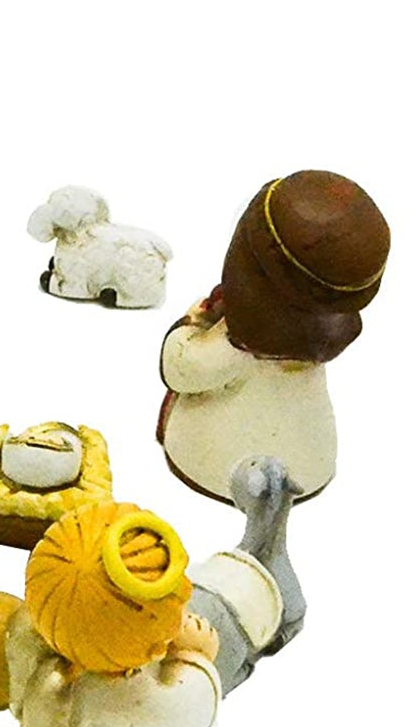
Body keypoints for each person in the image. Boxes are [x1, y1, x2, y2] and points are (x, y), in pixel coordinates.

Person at [5, 500, 223, 727]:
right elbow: (196, 714)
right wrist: (197, 655)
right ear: (153, 641)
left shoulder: (39, 646)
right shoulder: (136, 700)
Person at [158, 170, 389, 503]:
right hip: (311, 457)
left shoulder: (233, 349)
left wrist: (193, 323)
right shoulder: (314, 344)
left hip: (216, 459)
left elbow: (181, 368)